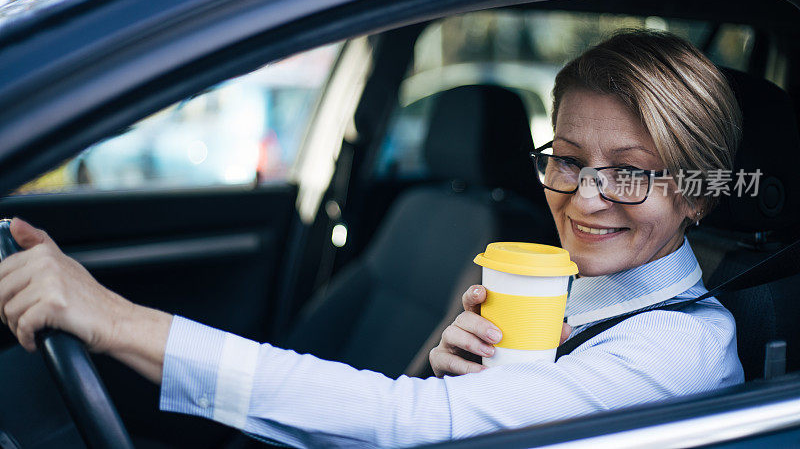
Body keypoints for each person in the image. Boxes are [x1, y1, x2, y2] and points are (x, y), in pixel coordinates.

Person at [0, 28, 745, 448]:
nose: (585, 196)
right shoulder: (578, 291)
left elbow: (405, 423)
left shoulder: (677, 350)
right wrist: (453, 378)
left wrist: (115, 319)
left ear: (700, 196)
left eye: (632, 173)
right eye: (569, 159)